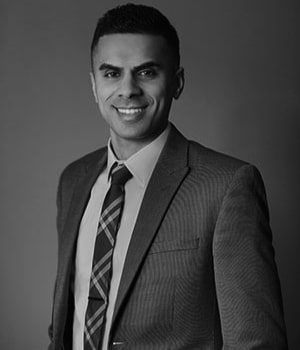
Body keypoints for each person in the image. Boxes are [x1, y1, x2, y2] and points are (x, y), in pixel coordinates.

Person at [48, 3, 288, 350]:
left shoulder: (227, 186)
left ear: (177, 82)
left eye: (146, 72)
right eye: (112, 73)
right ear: (94, 85)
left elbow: (256, 341)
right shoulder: (73, 180)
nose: (127, 89)